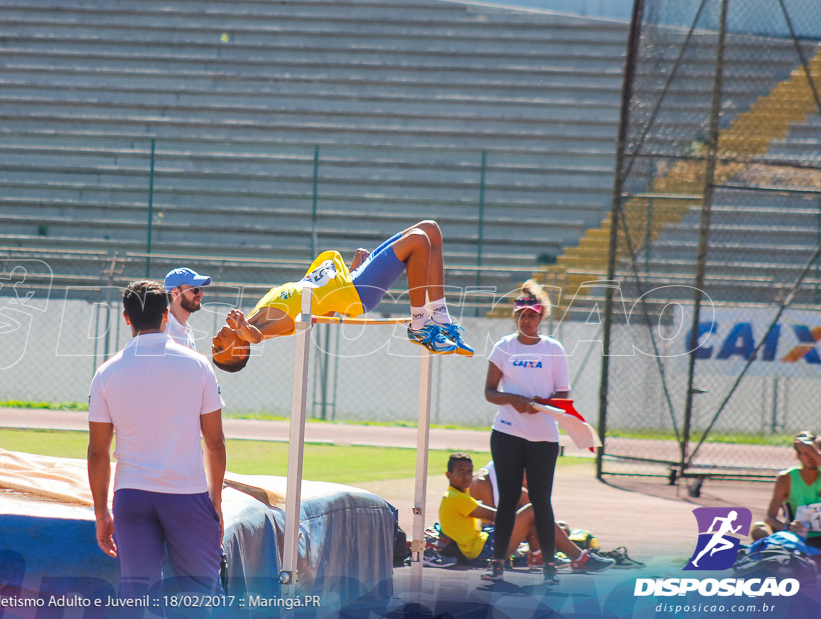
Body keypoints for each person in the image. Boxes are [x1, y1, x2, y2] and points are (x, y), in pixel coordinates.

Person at [87, 279, 227, 609]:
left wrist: (101, 512)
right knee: (203, 596)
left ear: (125, 318)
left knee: (137, 599)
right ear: (167, 314)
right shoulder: (197, 365)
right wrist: (215, 500)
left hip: (131, 497)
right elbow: (215, 442)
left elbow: (97, 452)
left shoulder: (106, 372)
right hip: (186, 494)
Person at [210, 220, 473, 373]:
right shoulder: (266, 329)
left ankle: (441, 318)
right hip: (357, 293)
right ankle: (419, 325)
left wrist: (351, 269)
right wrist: (245, 329)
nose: (214, 339)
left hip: (351, 281)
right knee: (418, 240)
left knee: (431, 229)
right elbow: (255, 337)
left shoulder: (260, 309)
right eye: (220, 348)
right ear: (241, 347)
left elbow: (325, 304)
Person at [483, 280, 569, 584]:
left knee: (541, 500)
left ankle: (548, 565)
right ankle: (497, 562)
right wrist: (515, 401)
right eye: (520, 314)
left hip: (544, 436)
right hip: (507, 431)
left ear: (541, 316)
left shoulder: (553, 349)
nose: (525, 319)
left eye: (531, 314)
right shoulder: (504, 346)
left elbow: (563, 395)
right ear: (515, 316)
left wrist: (539, 405)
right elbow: (490, 392)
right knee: (506, 498)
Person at [440, 453, 612, 575]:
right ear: (449, 475)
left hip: (483, 541)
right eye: (460, 472)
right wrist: (519, 512)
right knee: (532, 510)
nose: (467, 476)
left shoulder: (457, 496)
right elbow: (498, 517)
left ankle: (538, 555)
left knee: (543, 520)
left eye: (469, 472)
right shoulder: (456, 498)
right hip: (481, 550)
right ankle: (579, 558)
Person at [750, 431, 821, 548]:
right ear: (798, 455)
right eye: (806, 453)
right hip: (796, 539)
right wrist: (787, 528)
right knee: (758, 528)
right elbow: (769, 518)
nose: (812, 457)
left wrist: (809, 450)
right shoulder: (786, 478)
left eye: (815, 452)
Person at [163, 267, 212, 351]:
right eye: (195, 289)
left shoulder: (186, 328)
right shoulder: (164, 330)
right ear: (175, 293)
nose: (201, 294)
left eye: (201, 288)